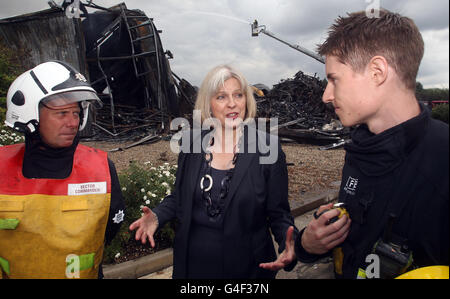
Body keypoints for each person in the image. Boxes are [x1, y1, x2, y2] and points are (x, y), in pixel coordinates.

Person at [295, 9, 449, 279]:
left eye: (334, 79)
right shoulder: (360, 150)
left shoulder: (442, 161)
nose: (326, 96)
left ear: (377, 72)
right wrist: (309, 244)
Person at [130, 65, 298, 279]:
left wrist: (288, 244)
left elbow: (279, 213)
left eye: (238, 95)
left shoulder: (268, 148)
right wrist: (157, 216)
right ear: (208, 105)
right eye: (221, 97)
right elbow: (179, 197)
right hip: (193, 267)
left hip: (248, 270)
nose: (232, 103)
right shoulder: (191, 144)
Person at [0, 61, 125, 279]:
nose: (72, 122)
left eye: (76, 114)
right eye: (62, 113)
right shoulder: (1, 168)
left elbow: (111, 226)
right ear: (31, 113)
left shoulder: (101, 168)